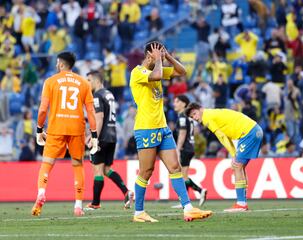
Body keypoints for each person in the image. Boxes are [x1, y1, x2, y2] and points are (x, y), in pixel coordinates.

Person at [130, 41, 212, 222]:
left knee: (175, 168)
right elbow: (158, 75)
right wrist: (159, 60)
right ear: (149, 55)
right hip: (145, 128)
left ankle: (188, 208)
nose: (160, 58)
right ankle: (139, 212)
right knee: (146, 171)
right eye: (157, 54)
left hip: (163, 128)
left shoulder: (158, 66)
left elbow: (182, 72)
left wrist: (167, 57)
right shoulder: (138, 73)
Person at [31, 52, 99, 217]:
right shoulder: (83, 83)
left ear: (61, 64)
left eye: (57, 63)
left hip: (56, 127)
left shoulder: (50, 82)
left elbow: (42, 109)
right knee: (77, 165)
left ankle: (41, 193)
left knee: (47, 164)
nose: (55, 66)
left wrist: (39, 129)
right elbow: (91, 111)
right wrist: (95, 135)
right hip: (77, 128)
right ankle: (77, 206)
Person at [185, 103, 263, 212]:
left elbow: (222, 136)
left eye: (195, 114)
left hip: (249, 133)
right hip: (254, 130)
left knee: (237, 166)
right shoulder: (211, 113)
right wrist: (234, 153)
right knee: (239, 167)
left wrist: (233, 153)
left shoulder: (207, 117)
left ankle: (241, 204)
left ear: (201, 109)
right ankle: (242, 202)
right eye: (193, 117)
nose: (196, 118)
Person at [85, 70, 134, 211]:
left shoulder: (97, 96)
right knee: (106, 169)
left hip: (102, 136)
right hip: (112, 136)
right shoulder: (109, 94)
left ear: (97, 80)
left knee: (98, 170)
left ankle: (95, 203)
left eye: (89, 80)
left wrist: (94, 137)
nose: (87, 83)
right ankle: (126, 192)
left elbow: (99, 118)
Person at [173, 95, 207, 208]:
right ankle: (185, 200)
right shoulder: (188, 117)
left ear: (183, 104)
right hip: (190, 147)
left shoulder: (182, 117)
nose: (174, 104)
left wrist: (178, 148)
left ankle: (199, 191)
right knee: (184, 175)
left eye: (177, 101)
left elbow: (182, 133)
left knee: (182, 176)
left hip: (185, 148)